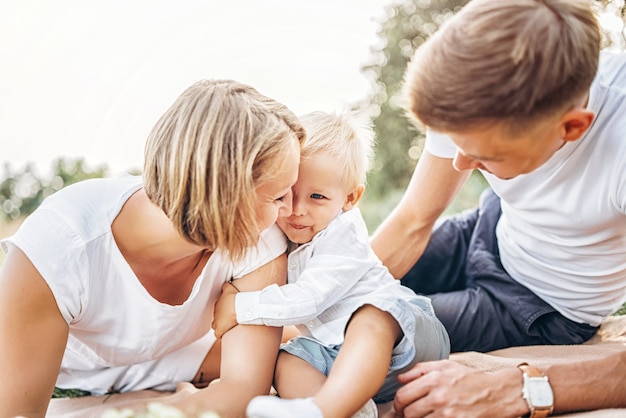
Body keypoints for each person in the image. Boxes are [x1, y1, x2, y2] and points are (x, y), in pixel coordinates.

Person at [368, 0, 626, 416]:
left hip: (540, 306)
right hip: (485, 230)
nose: (460, 164)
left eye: (484, 157)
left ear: (571, 126)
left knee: (367, 340)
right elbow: (413, 222)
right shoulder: (473, 94)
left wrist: (524, 387)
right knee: (336, 289)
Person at [0, 79, 306, 418]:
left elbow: (244, 392)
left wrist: (179, 405)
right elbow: (18, 412)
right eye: (279, 196)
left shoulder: (261, 237)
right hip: (67, 368)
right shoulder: (59, 247)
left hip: (181, 355)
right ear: (228, 195)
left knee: (305, 351)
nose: (291, 210)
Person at [211, 111, 450, 418]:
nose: (297, 210)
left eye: (317, 197)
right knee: (286, 360)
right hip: (339, 357)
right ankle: (344, 409)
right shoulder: (284, 232)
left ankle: (328, 408)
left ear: (350, 198)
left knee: (371, 317)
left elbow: (308, 301)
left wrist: (239, 306)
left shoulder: (343, 236)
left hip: (405, 337)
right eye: (287, 194)